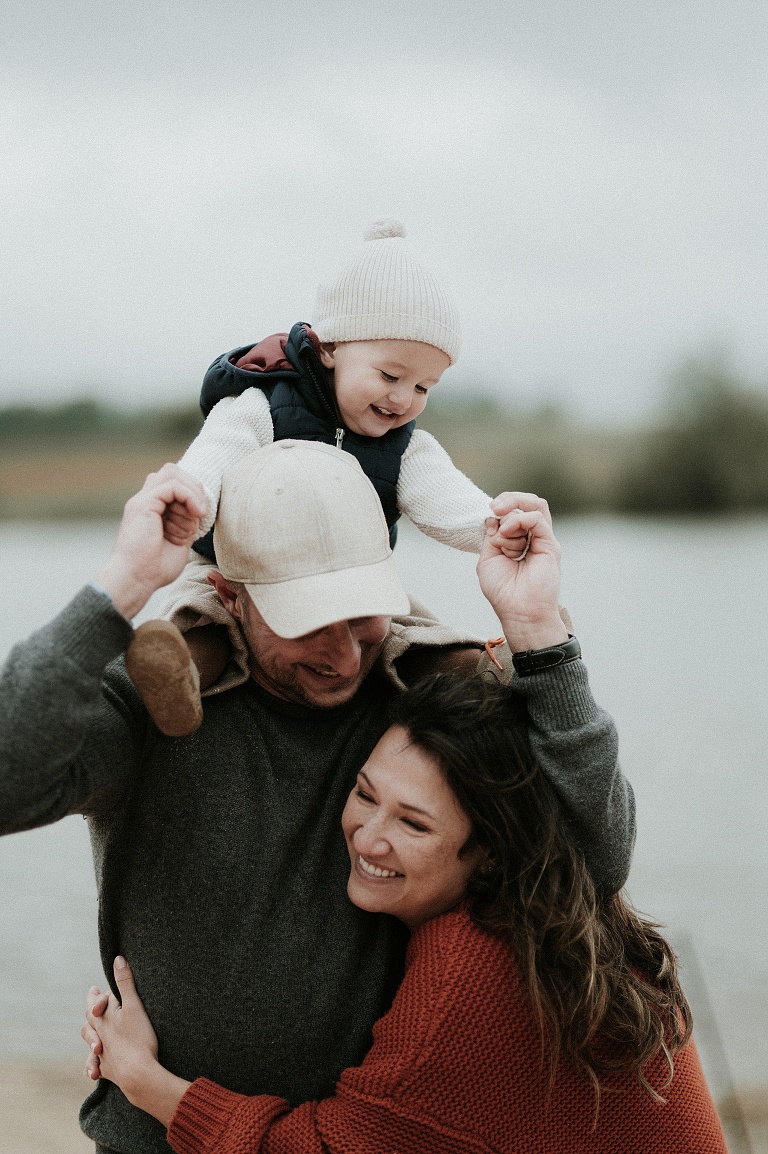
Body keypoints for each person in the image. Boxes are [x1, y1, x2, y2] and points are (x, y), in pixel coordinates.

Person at [0, 440, 633, 1154]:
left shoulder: (428, 701)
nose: (343, 654)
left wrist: (540, 636)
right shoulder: (157, 702)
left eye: (362, 613)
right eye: (307, 622)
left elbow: (594, 857)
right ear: (230, 597)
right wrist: (122, 585)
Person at [80, 673, 728, 1153]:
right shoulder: (559, 918)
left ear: (493, 855)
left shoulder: (473, 965)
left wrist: (143, 1081)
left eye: (413, 824)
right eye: (365, 794)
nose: (367, 838)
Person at [126, 219, 505, 737]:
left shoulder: (405, 445)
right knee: (204, 617)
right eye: (390, 376)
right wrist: (191, 499)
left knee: (407, 631)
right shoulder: (262, 405)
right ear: (329, 348)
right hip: (239, 569)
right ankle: (175, 679)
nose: (403, 399)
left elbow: (444, 497)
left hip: (355, 578)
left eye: (423, 386)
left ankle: (478, 671)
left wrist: (493, 527)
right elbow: (216, 453)